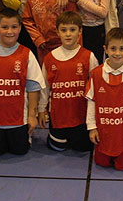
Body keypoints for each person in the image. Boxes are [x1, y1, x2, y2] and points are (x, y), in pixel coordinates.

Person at [0, 8, 45, 157]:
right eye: (4, 27)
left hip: (18, 120)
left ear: (20, 28)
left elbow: (33, 88)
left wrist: (31, 115)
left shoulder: (26, 54)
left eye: (14, 27)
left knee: (20, 151)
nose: (9, 31)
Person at [85, 27, 123, 170]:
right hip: (104, 132)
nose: (117, 53)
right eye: (113, 48)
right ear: (105, 49)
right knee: (102, 163)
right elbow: (91, 102)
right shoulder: (96, 74)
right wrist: (92, 128)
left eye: (121, 48)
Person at [39, 11, 98, 152]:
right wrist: (41, 110)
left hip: (81, 118)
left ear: (80, 32)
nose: (68, 34)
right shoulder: (49, 58)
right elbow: (44, 88)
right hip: (58, 118)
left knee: (82, 149)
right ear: (57, 32)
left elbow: (96, 89)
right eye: (64, 30)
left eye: (72, 30)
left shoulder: (89, 57)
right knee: (57, 149)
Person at [22, 0, 77, 64]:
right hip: (43, 46)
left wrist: (72, 43)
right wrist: (37, 38)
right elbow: (27, 20)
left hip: (65, 44)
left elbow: (74, 20)